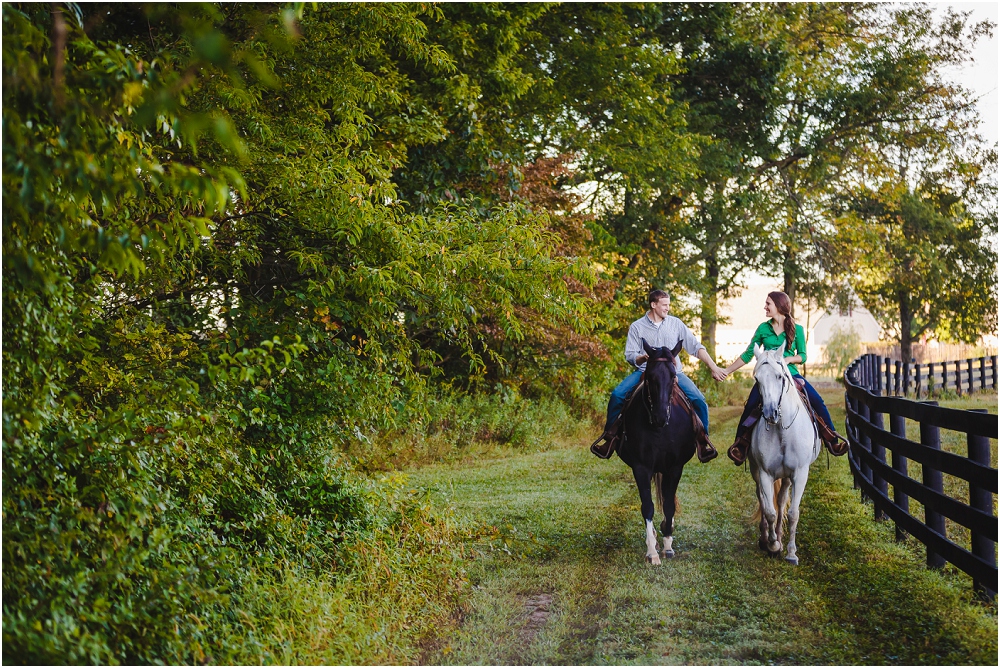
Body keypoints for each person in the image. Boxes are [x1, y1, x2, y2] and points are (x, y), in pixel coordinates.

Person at [593, 289, 726, 460]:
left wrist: (713, 367)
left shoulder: (676, 324)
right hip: (644, 372)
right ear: (653, 305)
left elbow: (696, 347)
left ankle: (703, 440)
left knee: (699, 400)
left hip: (673, 373)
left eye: (669, 305)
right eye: (664, 305)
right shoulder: (637, 327)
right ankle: (609, 438)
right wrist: (642, 357)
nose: (668, 308)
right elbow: (630, 355)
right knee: (617, 395)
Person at [721, 291, 848, 465]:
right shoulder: (763, 329)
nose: (765, 307)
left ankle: (833, 441)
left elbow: (803, 355)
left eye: (768, 304)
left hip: (791, 374)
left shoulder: (798, 329)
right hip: (768, 377)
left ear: (779, 306)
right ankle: (740, 446)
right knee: (751, 405)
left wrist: (788, 359)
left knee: (817, 402)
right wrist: (727, 370)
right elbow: (749, 354)